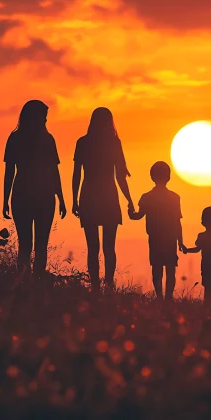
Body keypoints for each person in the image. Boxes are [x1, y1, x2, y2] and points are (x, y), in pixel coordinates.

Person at [3, 100, 66, 280]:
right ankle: (34, 282)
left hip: (25, 194)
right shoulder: (46, 139)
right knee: (38, 244)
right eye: (43, 118)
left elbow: (10, 172)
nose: (45, 122)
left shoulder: (16, 138)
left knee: (27, 244)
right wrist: (60, 198)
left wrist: (5, 199)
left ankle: (26, 282)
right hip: (41, 196)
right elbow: (54, 171)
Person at [72, 107, 134, 291]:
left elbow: (77, 174)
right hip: (108, 195)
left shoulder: (83, 142)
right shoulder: (114, 143)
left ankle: (97, 286)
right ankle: (108, 283)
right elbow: (120, 176)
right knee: (109, 246)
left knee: (93, 247)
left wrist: (74, 199)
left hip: (89, 193)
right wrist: (129, 200)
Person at [129, 161, 183, 301]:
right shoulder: (174, 198)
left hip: (154, 238)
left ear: (152, 176)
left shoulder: (147, 197)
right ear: (169, 177)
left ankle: (159, 296)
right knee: (170, 269)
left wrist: (130, 212)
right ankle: (168, 298)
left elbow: (138, 216)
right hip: (171, 238)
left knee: (157, 268)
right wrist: (181, 242)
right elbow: (178, 222)